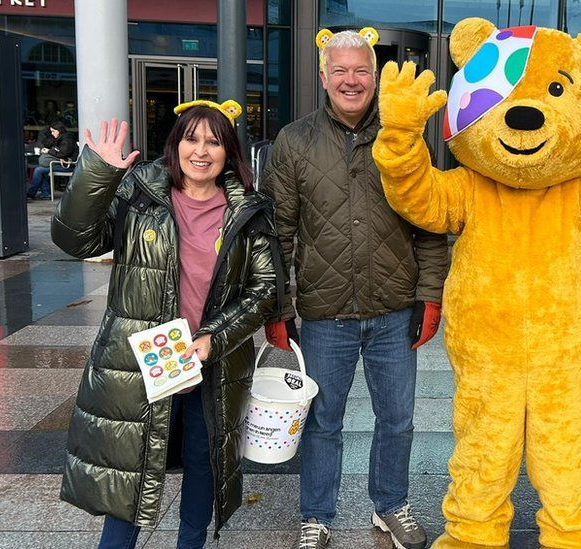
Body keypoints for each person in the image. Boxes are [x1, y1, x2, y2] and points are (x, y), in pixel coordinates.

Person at [53, 100, 283, 549]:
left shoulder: (247, 211)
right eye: (191, 139)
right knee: (133, 474)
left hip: (209, 365)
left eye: (214, 142)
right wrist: (97, 174)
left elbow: (264, 290)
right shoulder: (140, 193)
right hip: (140, 364)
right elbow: (74, 239)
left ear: (228, 151)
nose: (201, 151)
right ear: (175, 145)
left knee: (203, 467)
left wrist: (213, 338)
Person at [260, 28, 449, 549]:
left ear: (375, 76)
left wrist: (429, 295)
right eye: (339, 70)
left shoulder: (404, 137)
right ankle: (316, 515)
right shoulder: (295, 142)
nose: (350, 80)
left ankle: (391, 505)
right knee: (322, 423)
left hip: (393, 310)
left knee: (399, 419)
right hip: (324, 314)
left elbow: (431, 223)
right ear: (323, 77)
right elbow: (277, 233)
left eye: (360, 70)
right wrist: (279, 305)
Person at [27, 120, 78, 199]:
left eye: (53, 131)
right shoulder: (59, 138)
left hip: (68, 166)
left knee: (38, 170)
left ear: (59, 130)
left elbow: (63, 154)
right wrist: (50, 137)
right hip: (60, 163)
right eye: (51, 131)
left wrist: (48, 151)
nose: (52, 133)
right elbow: (47, 144)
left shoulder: (67, 139)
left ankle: (32, 194)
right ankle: (46, 194)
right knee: (40, 170)